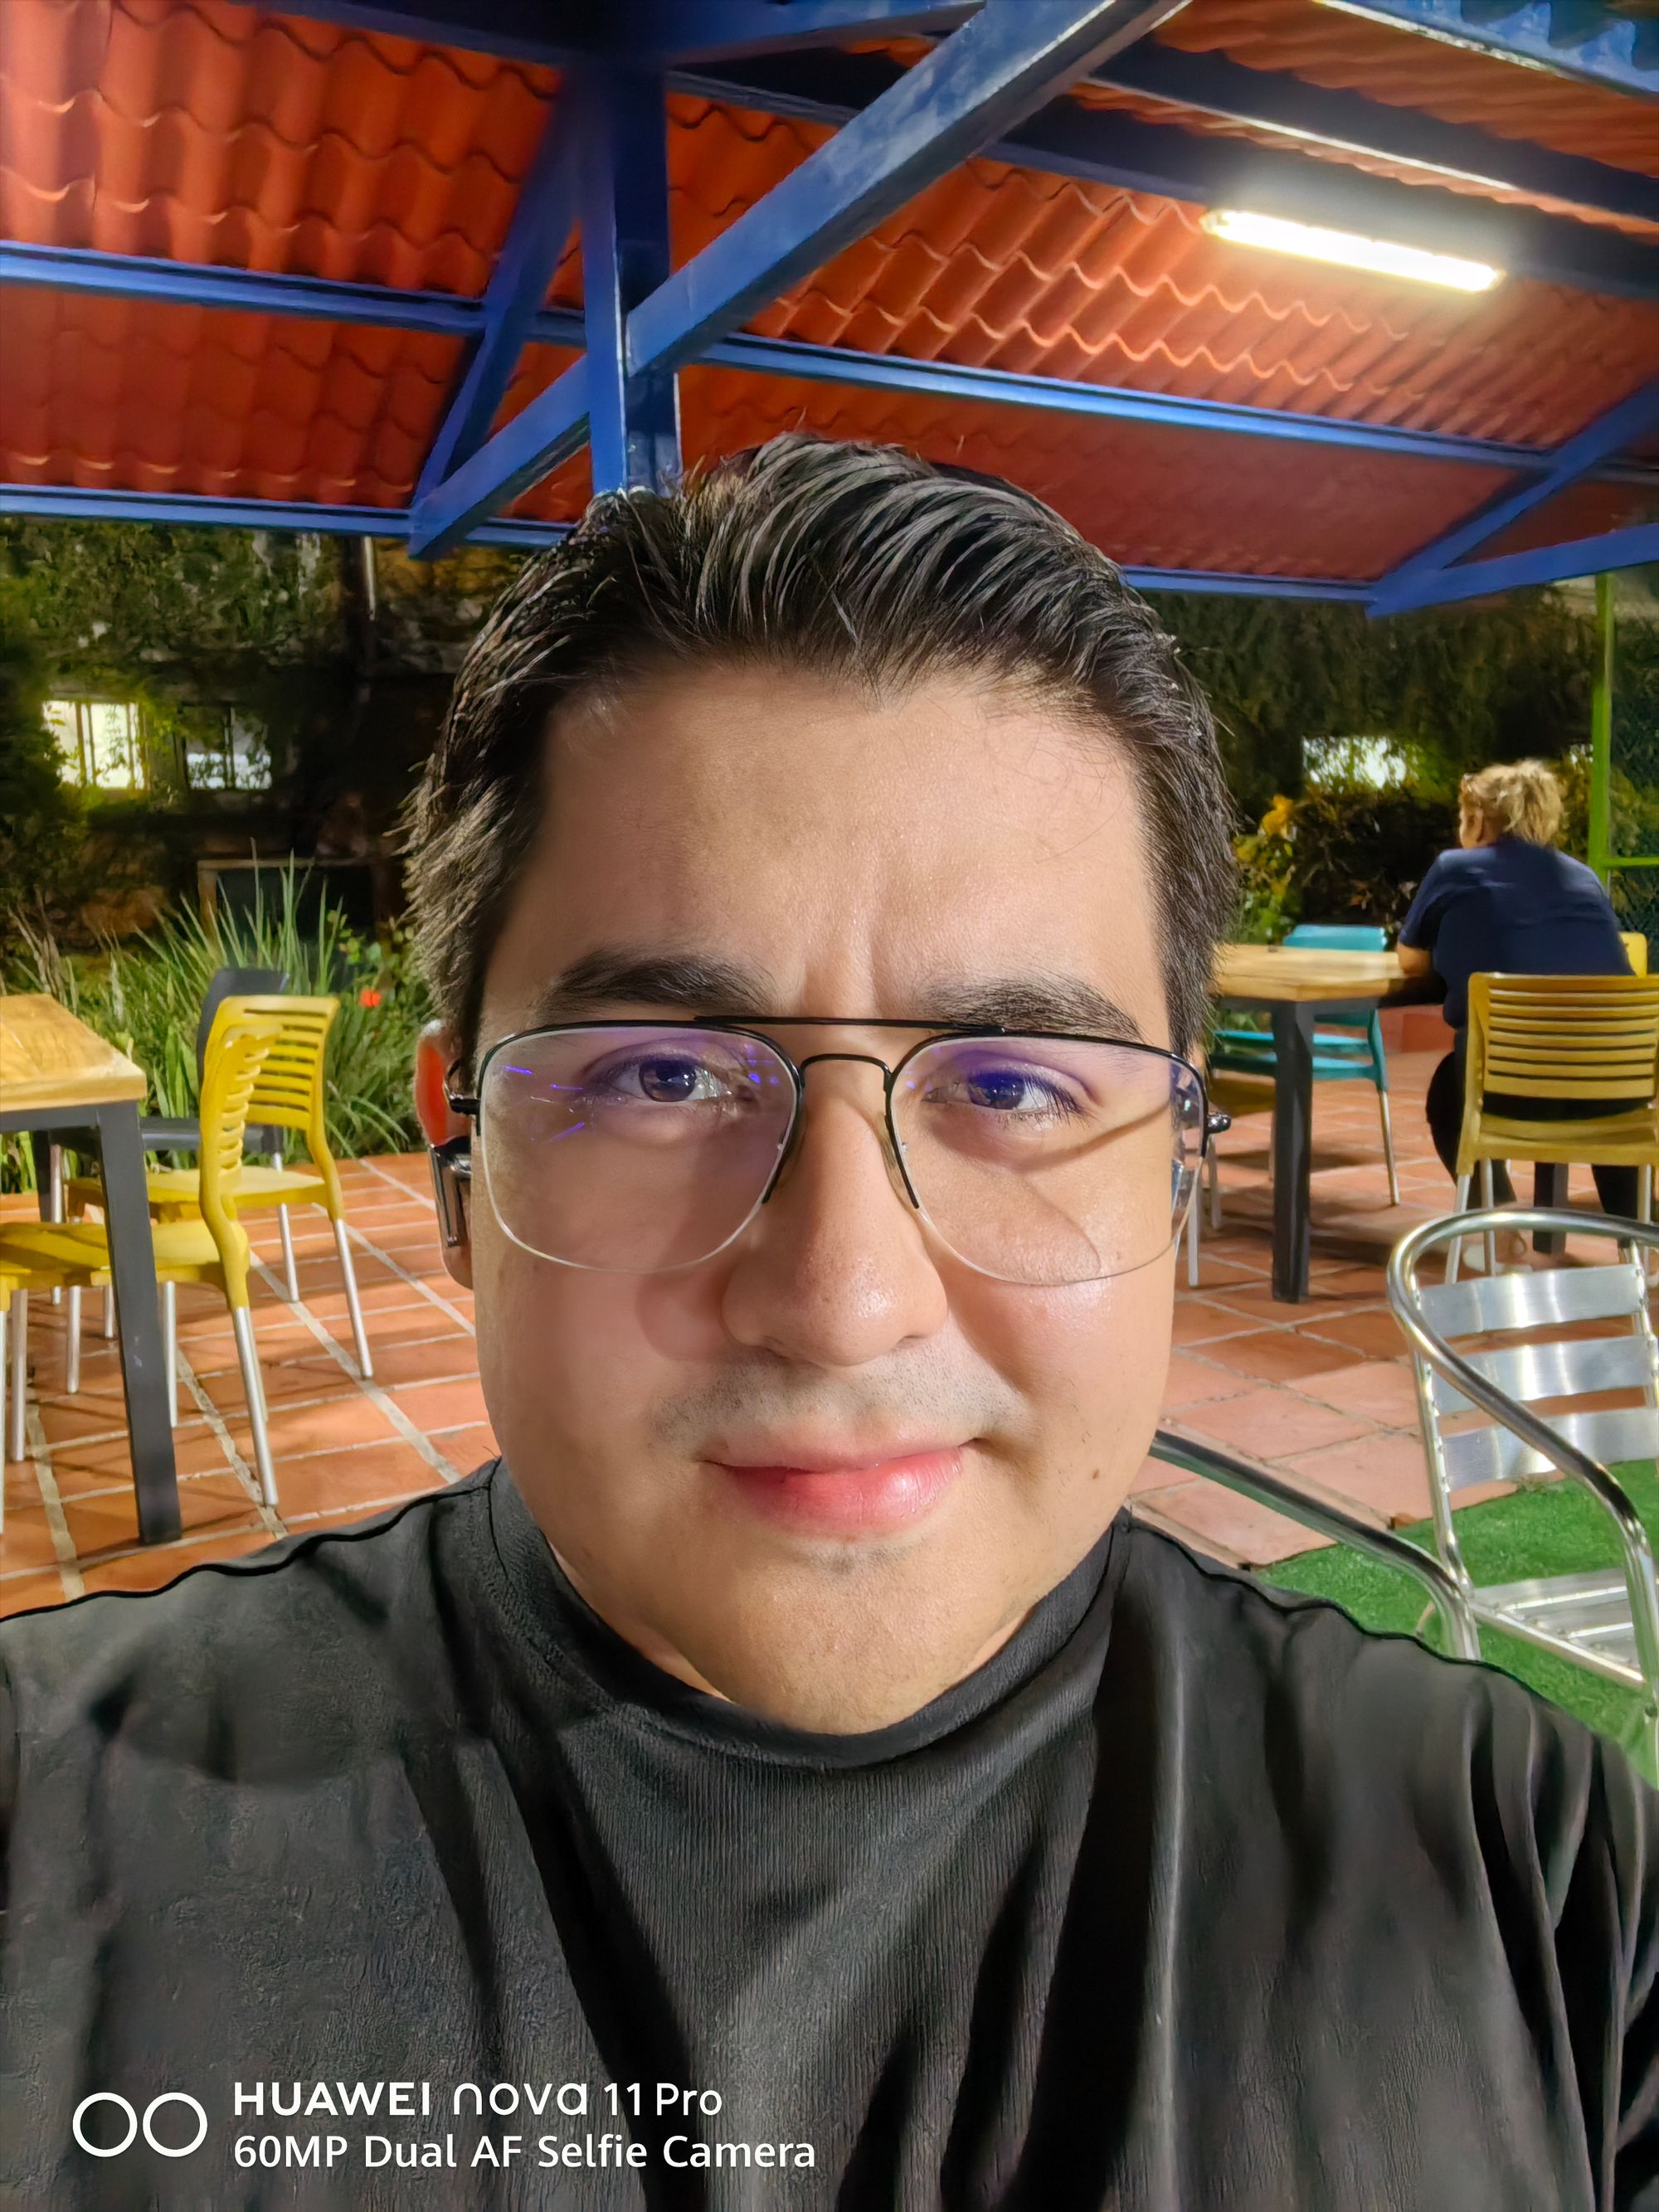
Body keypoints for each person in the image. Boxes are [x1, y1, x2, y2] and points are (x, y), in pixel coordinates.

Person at [1, 441, 1654, 2210]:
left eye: (1013, 1083)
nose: (844, 1299)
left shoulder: (1540, 1881)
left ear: (1178, 1171)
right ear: (458, 1156)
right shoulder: (51, 1837)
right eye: (659, 1075)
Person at [1398, 759, 1642, 1248]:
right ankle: (1642, 1242)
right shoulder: (1584, 878)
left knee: (1449, 1090)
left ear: (1478, 819)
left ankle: (1500, 1229)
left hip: (1510, 1089)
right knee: (1600, 1082)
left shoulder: (1455, 868)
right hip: (1617, 1087)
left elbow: (1410, 958)